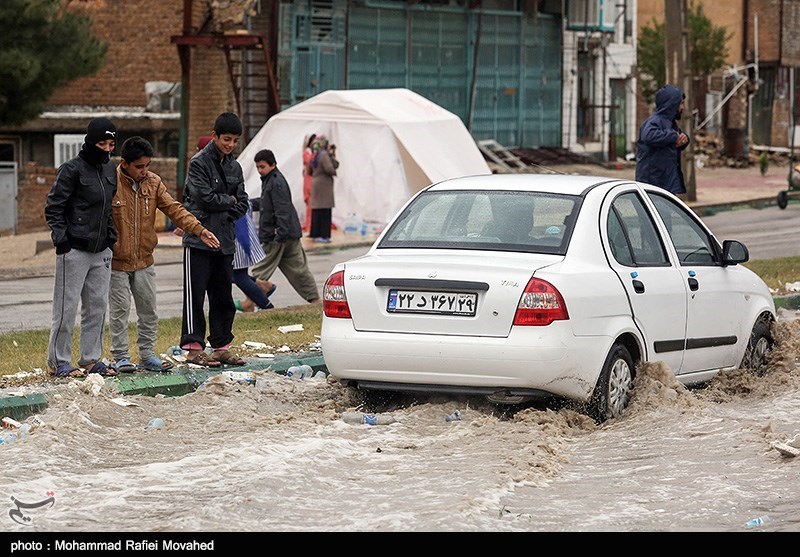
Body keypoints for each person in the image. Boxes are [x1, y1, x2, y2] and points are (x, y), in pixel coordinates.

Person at [108, 136, 220, 374]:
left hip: (145, 259)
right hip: (117, 260)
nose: (144, 171)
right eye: (139, 166)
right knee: (119, 310)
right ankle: (121, 357)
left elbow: (174, 209)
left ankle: (147, 355)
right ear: (125, 163)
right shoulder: (110, 181)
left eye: (147, 165)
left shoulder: (154, 182)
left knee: (149, 310)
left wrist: (199, 230)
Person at [44, 117, 119, 378]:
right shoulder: (71, 169)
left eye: (111, 143)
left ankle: (90, 358)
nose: (107, 149)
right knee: (66, 308)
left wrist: (111, 239)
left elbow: (109, 207)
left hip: (102, 251)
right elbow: (54, 207)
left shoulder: (111, 170)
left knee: (97, 307)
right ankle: (58, 362)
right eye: (102, 143)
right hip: (73, 249)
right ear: (89, 141)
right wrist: (61, 241)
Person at [179, 113, 250, 368]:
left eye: (234, 141)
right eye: (226, 139)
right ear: (215, 135)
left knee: (222, 295)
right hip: (199, 240)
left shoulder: (235, 166)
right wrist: (227, 200)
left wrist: (228, 206)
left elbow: (242, 202)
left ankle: (221, 346)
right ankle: (193, 348)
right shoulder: (198, 163)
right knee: (195, 296)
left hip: (224, 240)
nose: (230, 145)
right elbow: (204, 198)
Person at [193, 136, 276, 313]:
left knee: (236, 275)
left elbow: (226, 201)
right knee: (232, 274)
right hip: (235, 228)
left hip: (235, 230)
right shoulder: (212, 169)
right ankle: (263, 286)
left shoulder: (225, 170)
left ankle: (267, 305)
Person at [250, 149, 320, 303]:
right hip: (288, 234)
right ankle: (315, 301)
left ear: (273, 165)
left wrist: (278, 235)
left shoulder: (276, 182)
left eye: (262, 167)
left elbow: (282, 210)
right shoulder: (271, 180)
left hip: (278, 235)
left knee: (260, 270)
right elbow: (267, 203)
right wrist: (249, 204)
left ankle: (250, 302)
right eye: (257, 167)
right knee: (299, 271)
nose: (259, 171)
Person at [635, 84, 690, 196]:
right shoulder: (654, 121)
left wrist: (684, 140)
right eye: (681, 104)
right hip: (653, 183)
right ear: (672, 104)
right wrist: (674, 137)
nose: (683, 108)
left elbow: (676, 139)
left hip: (666, 182)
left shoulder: (671, 123)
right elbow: (649, 136)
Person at [309, 135, 339, 243]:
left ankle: (315, 233)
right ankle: (324, 235)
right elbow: (330, 168)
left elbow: (309, 171)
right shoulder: (324, 154)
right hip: (324, 185)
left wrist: (332, 155)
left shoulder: (314, 155)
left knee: (317, 210)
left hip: (316, 183)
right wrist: (334, 173)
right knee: (325, 210)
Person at [301, 133, 317, 233]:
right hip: (309, 180)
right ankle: (309, 225)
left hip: (312, 179)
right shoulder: (307, 153)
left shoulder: (310, 152)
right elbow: (310, 163)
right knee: (310, 204)